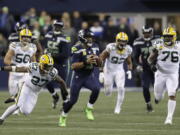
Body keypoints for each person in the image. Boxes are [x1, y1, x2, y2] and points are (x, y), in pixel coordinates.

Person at [0, 54, 68, 125]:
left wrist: (65, 91)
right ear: (41, 64)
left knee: (26, 112)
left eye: (49, 66)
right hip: (26, 86)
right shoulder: (34, 67)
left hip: (35, 92)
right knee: (18, 105)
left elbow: (61, 81)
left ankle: (15, 98)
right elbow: (17, 69)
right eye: (46, 66)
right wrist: (2, 68)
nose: (48, 68)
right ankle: (2, 118)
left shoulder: (52, 73)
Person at [58, 29, 101, 127]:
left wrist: (98, 60)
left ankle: (89, 108)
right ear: (82, 38)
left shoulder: (95, 47)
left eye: (91, 38)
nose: (90, 40)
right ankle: (63, 116)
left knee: (96, 89)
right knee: (73, 100)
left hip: (89, 75)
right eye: (88, 38)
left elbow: (99, 64)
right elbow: (73, 66)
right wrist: (86, 62)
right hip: (78, 76)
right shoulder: (76, 48)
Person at [148, 27, 179, 125]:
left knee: (172, 94)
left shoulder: (178, 46)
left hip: (173, 74)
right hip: (160, 73)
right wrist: (152, 65)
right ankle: (158, 97)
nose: (167, 39)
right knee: (158, 96)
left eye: (169, 37)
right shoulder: (159, 45)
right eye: (165, 37)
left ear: (174, 37)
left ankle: (169, 118)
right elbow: (150, 59)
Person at [99, 32, 133, 114]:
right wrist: (101, 72)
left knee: (121, 88)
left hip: (119, 70)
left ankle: (118, 107)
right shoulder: (111, 47)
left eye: (124, 41)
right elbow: (101, 58)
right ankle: (107, 88)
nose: (122, 43)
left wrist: (129, 70)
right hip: (108, 70)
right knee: (108, 92)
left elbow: (129, 62)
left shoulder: (128, 49)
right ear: (116, 41)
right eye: (120, 41)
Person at [4, 28, 37, 104]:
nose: (26, 39)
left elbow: (33, 61)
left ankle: (18, 108)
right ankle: (16, 102)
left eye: (28, 37)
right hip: (14, 73)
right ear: (20, 37)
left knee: (22, 92)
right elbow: (6, 60)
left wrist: (34, 70)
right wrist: (13, 66)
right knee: (13, 93)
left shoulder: (33, 47)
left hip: (25, 72)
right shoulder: (14, 46)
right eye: (24, 37)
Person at [44, 20, 70, 109]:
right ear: (53, 26)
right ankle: (54, 95)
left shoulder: (65, 38)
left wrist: (52, 55)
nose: (57, 27)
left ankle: (65, 101)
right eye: (56, 25)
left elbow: (66, 54)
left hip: (61, 64)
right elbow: (45, 47)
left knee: (62, 83)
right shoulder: (48, 35)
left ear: (62, 27)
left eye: (59, 26)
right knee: (45, 80)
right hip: (50, 63)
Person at [133, 25, 156, 112]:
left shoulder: (157, 40)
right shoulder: (138, 42)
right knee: (145, 87)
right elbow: (135, 56)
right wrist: (138, 65)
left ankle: (157, 98)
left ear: (151, 33)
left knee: (157, 89)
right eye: (145, 33)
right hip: (145, 68)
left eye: (148, 33)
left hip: (156, 68)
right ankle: (148, 104)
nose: (146, 35)